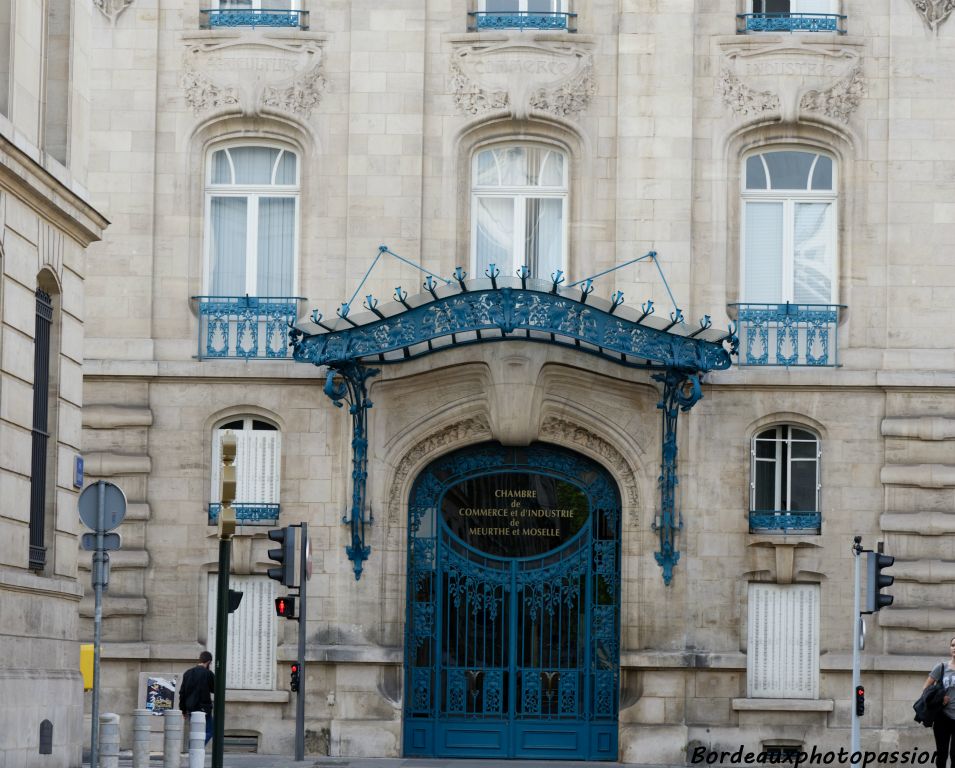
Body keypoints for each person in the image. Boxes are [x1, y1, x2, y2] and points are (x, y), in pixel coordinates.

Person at [924, 637, 955, 768]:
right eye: (953, 645)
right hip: (942, 717)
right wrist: (940, 700)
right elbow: (926, 690)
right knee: (942, 754)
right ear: (950, 648)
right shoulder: (941, 667)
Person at [179, 650, 215, 745]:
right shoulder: (208, 674)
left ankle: (194, 748)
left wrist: (183, 710)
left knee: (195, 732)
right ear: (208, 662)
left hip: (191, 708)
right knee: (209, 731)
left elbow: (182, 693)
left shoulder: (187, 673)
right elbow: (215, 689)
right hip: (204, 709)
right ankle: (196, 747)